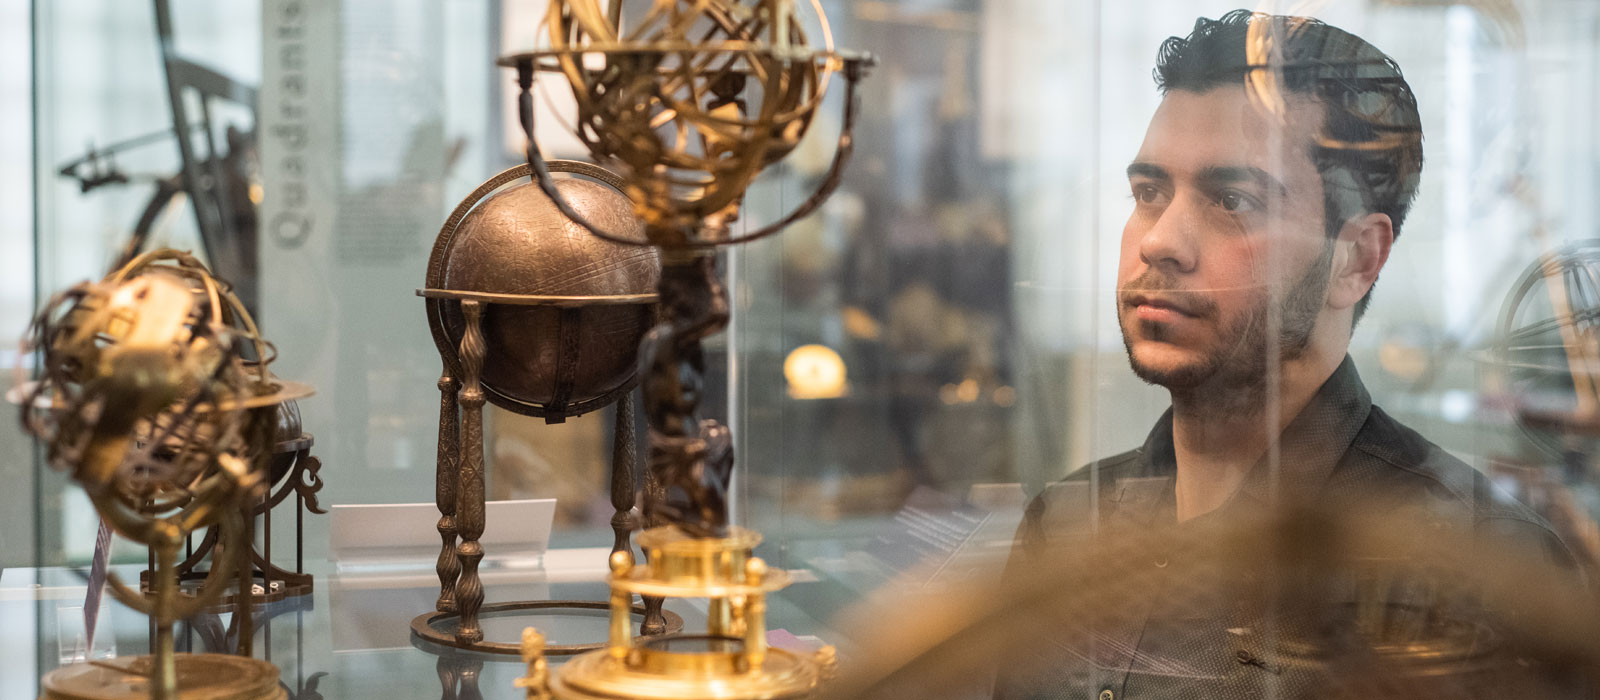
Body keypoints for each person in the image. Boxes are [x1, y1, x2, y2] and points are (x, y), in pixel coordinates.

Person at [994, 9, 1581, 699]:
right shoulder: (1068, 522)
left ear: (1359, 259)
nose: (1159, 241)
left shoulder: (1475, 565)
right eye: (1149, 192)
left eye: (1233, 200)